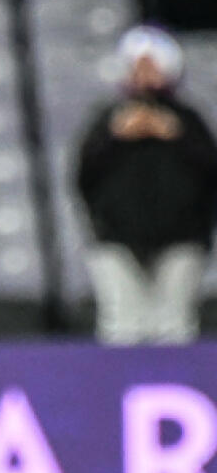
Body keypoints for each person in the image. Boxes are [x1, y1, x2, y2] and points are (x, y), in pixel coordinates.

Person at [76, 25, 217, 344]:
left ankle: (175, 389)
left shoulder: (188, 120)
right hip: (117, 239)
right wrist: (114, 136)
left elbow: (209, 170)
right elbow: (84, 174)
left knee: (174, 327)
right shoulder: (108, 119)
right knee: (122, 325)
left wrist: (176, 135)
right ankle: (116, 391)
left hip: (182, 239)